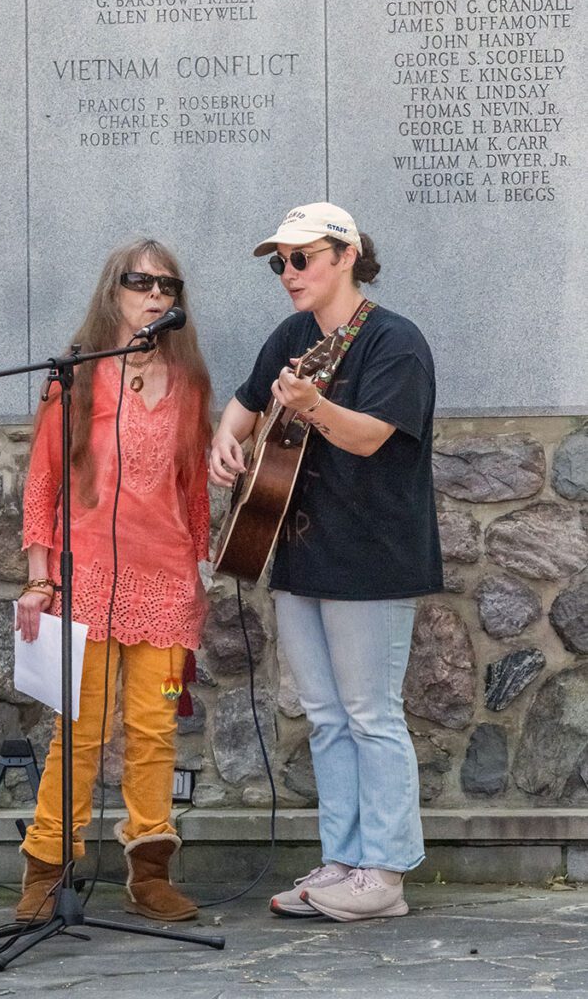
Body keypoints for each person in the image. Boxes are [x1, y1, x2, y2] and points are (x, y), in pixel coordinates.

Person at [210, 202, 443, 922]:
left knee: (370, 714)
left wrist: (311, 406)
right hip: (298, 551)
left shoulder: (394, 341)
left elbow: (371, 436)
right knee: (323, 715)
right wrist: (225, 439)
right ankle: (341, 861)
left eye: (300, 258)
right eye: (278, 261)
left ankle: (385, 873)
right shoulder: (289, 336)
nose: (287, 273)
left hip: (372, 556)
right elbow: (245, 403)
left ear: (345, 255)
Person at [15, 239, 211, 923]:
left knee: (155, 728)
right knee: (80, 731)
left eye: (168, 286)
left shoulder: (189, 384)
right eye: (140, 281)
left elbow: (192, 491)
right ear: (113, 291)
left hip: (164, 581)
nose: (155, 294)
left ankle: (149, 870)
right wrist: (39, 577)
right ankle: (46, 867)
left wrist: (199, 568)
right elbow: (43, 474)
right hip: (86, 577)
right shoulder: (73, 375)